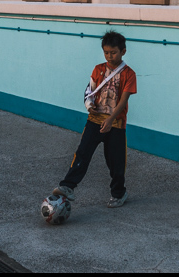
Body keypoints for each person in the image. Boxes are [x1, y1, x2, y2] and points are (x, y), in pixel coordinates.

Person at [50, 31, 137, 209]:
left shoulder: (129, 74)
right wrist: (89, 106)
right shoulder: (98, 69)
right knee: (82, 153)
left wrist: (110, 120)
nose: (109, 56)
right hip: (94, 121)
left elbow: (123, 101)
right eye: (106, 52)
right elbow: (89, 91)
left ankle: (119, 193)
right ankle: (68, 186)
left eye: (113, 52)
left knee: (116, 162)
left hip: (116, 123)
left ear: (123, 51)